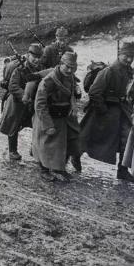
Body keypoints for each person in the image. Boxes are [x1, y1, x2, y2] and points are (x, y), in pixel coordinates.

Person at [80, 41, 134, 181]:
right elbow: (94, 92)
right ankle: (75, 155)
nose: (129, 59)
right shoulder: (108, 71)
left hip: (122, 110)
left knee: (126, 138)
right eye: (126, 56)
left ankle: (122, 170)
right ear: (119, 54)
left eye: (131, 56)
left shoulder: (129, 71)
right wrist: (103, 110)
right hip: (104, 110)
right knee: (86, 137)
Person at [32, 51, 82, 182]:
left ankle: (59, 168)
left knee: (62, 144)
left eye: (73, 67)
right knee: (45, 144)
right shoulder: (48, 81)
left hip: (63, 116)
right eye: (67, 66)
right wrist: (47, 125)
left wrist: (74, 104)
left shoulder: (70, 77)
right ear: (60, 64)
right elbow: (40, 105)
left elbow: (71, 93)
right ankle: (43, 169)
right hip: (47, 116)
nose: (70, 70)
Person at [0, 43, 44, 161]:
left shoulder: (40, 69)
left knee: (37, 125)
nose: (36, 59)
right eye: (34, 56)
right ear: (28, 55)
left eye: (39, 57)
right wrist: (24, 95)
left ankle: (33, 148)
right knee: (14, 126)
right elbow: (12, 86)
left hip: (32, 103)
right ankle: (12, 151)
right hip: (17, 103)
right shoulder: (19, 69)